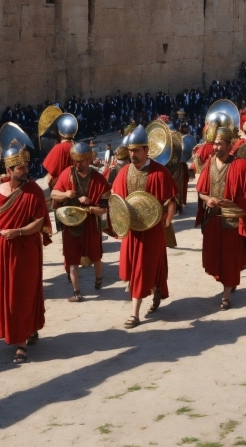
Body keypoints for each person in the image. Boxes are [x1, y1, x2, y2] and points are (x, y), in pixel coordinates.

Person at [0, 132, 52, 363]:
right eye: (21, 168)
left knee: (21, 295)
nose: (26, 171)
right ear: (9, 171)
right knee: (2, 295)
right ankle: (22, 330)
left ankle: (21, 344)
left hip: (25, 251)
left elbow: (39, 221)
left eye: (26, 166)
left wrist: (19, 231)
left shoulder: (33, 190)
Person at [111, 125, 177, 328]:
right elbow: (116, 202)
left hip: (152, 231)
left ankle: (135, 314)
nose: (132, 154)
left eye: (136, 150)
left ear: (146, 150)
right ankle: (153, 293)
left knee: (144, 269)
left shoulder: (159, 172)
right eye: (130, 150)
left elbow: (171, 199)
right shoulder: (123, 173)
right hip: (132, 232)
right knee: (136, 270)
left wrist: (168, 219)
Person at [196, 126, 246, 309]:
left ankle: (226, 295)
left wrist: (232, 203)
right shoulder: (209, 163)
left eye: (219, 144)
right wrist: (208, 199)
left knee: (229, 259)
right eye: (214, 144)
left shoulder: (241, 166)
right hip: (212, 220)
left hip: (231, 221)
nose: (216, 148)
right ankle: (227, 284)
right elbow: (201, 191)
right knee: (214, 258)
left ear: (229, 145)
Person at [51, 141, 111, 300]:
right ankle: (77, 293)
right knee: (72, 259)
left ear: (88, 160)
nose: (77, 164)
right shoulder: (67, 174)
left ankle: (99, 279)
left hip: (91, 225)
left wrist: (90, 206)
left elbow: (104, 210)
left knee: (96, 256)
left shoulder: (99, 180)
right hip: (71, 224)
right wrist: (66, 195)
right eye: (75, 161)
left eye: (80, 161)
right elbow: (53, 194)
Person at [42, 113, 78, 187]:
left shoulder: (58, 148)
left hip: (62, 190)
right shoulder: (78, 146)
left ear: (59, 132)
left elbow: (50, 178)